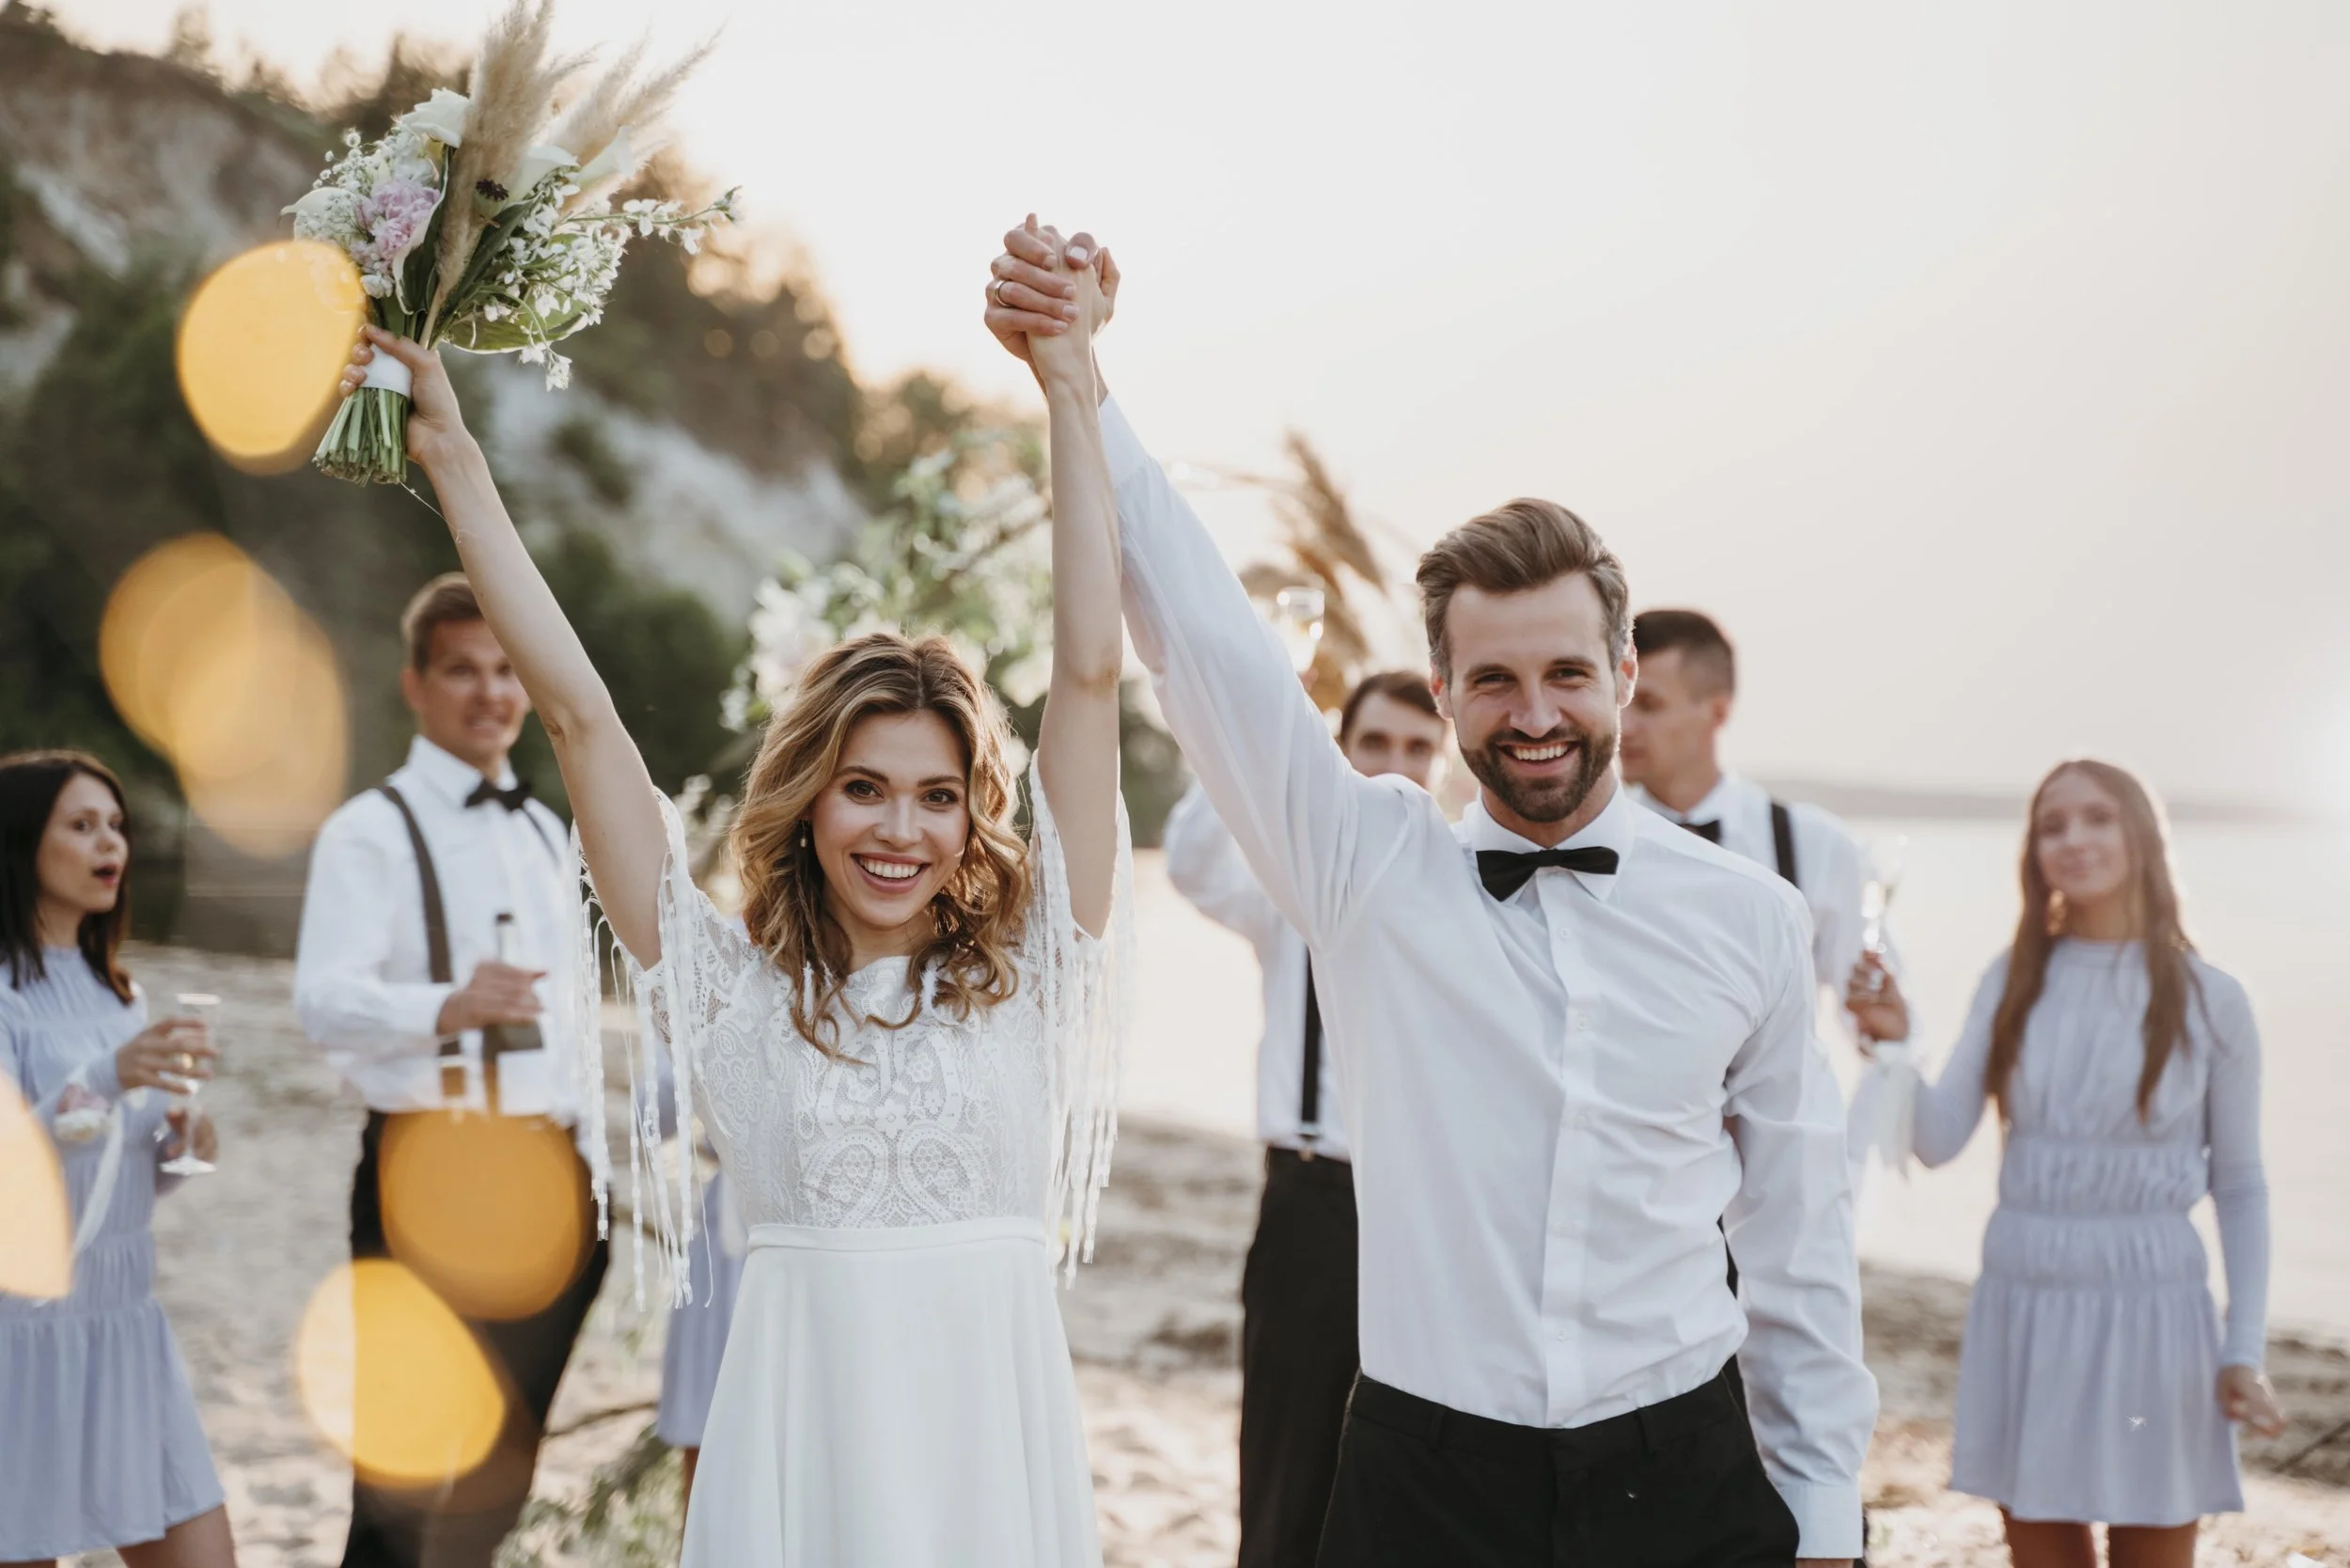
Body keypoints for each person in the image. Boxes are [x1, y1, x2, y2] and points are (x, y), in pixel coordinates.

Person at [984, 224, 1873, 1568]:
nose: (1536, 716)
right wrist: (1081, 385)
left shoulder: (1750, 917)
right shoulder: (1367, 871)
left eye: (1568, 674)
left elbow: (1801, 1246)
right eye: (1496, 682)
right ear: (1442, 691)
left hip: (1683, 1467)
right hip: (1426, 1481)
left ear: (1626, 675)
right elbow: (1207, 650)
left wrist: (1823, 1516)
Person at [326, 217, 1129, 1568]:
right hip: (800, 1453)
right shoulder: (733, 999)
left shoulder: (1033, 974)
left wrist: (1071, 389)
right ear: (808, 802)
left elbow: (1094, 678)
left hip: (989, 1457)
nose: (902, 829)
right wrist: (456, 460)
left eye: (939, 797)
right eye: (865, 787)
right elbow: (580, 722)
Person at [1849, 760, 2282, 1568]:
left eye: (2095, 818)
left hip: (2156, 1307)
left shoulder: (2212, 999)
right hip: (2027, 1296)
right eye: (2052, 825)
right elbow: (1938, 1141)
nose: (2072, 839)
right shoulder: (2015, 977)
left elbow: (2243, 1187)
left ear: (2142, 838)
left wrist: (2243, 1352)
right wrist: (1898, 1044)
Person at [292, 576, 609, 1568]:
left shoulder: (542, 830)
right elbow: (323, 1003)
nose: (491, 692)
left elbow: (570, 1028)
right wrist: (446, 1005)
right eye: (464, 670)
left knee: (499, 1481)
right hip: (426, 1173)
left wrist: (593, 1162)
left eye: (508, 670)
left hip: (551, 1179)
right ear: (416, 685)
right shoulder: (367, 832)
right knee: (396, 1477)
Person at [1163, 670, 1448, 1568]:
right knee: (1287, 1467)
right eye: (1374, 745)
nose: (1395, 769)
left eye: (1417, 749)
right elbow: (1192, 865)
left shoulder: (1461, 893)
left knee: (1411, 1475)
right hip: (1311, 1206)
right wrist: (1281, 729)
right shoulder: (1287, 888)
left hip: (1429, 1217)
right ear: (1340, 750)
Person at [0, 750, 236, 1568]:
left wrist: (178, 1144)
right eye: (82, 824)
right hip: (18, 1336)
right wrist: (106, 1078)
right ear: (22, 841)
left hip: (125, 1322)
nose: (111, 844)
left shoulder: (120, 995)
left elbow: (108, 1174)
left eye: (116, 825)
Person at [1619, 607, 1912, 1205]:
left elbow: (1889, 1030)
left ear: (1717, 711)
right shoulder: (1596, 844)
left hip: (1769, 1184)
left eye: (1648, 704)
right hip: (1635, 1179)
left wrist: (1881, 1028)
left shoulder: (1813, 845)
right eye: (1620, 699)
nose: (1624, 724)